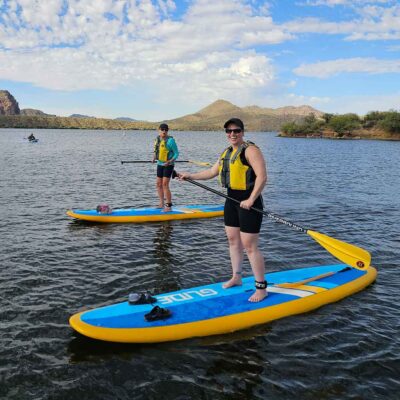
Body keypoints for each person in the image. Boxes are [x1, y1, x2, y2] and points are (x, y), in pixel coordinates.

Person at [178, 118, 268, 302]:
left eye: (236, 131)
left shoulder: (251, 150)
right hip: (231, 200)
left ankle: (261, 288)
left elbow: (262, 177)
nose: (232, 134)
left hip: (249, 202)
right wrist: (190, 175)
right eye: (229, 131)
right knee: (233, 241)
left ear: (242, 132)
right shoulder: (226, 152)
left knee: (250, 246)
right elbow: (212, 172)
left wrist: (251, 199)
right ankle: (237, 277)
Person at [152, 123, 179, 212]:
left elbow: (176, 153)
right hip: (160, 164)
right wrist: (154, 157)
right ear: (159, 130)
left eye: (166, 130)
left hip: (169, 165)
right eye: (162, 129)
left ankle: (168, 205)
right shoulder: (157, 139)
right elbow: (156, 150)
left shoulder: (170, 141)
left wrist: (169, 161)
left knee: (165, 184)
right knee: (158, 184)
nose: (164, 131)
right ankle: (161, 203)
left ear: (167, 131)